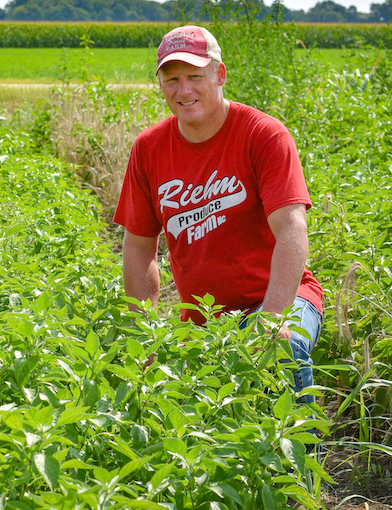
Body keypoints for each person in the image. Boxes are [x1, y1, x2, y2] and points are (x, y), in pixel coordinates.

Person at [114, 25, 323, 403]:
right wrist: (144, 332)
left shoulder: (263, 135)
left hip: (280, 299)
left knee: (283, 349)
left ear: (220, 74)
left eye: (195, 76)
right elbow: (140, 246)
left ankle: (302, 461)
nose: (184, 89)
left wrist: (272, 318)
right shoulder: (149, 148)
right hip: (203, 320)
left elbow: (292, 228)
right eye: (172, 78)